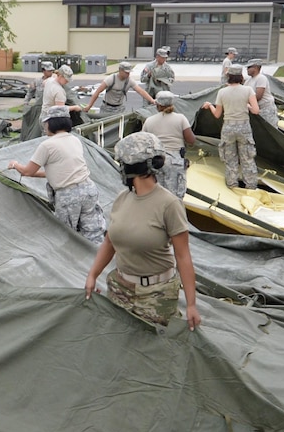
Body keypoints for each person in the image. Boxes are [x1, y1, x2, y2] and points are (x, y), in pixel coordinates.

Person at [83, 132, 200, 329]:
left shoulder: (169, 204)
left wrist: (191, 304)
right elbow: (110, 243)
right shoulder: (122, 199)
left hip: (157, 295)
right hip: (120, 289)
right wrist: (93, 275)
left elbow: (183, 256)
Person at [6, 106, 106, 242]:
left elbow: (27, 171)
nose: (44, 126)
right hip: (88, 189)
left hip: (68, 196)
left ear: (51, 123)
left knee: (66, 235)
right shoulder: (74, 139)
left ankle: (70, 262)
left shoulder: (47, 145)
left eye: (45, 123)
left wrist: (15, 164)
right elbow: (59, 172)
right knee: (93, 234)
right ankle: (98, 260)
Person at [208, 64, 260, 189]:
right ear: (241, 76)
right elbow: (256, 111)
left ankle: (232, 186)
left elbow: (217, 114)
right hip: (244, 127)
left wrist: (209, 105)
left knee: (230, 160)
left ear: (228, 76)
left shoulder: (222, 92)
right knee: (247, 159)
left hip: (228, 128)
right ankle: (251, 187)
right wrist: (246, 105)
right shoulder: (248, 90)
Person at [141, 92, 196, 199]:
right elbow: (191, 140)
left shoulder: (149, 121)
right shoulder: (181, 119)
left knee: (157, 197)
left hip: (157, 161)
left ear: (158, 105)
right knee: (175, 199)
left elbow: (144, 142)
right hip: (175, 161)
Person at [87, 63, 154, 117]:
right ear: (120, 71)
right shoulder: (110, 79)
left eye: (129, 73)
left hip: (119, 108)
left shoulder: (129, 81)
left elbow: (141, 91)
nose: (128, 74)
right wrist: (89, 106)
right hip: (107, 107)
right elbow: (97, 92)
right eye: (126, 72)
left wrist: (152, 100)